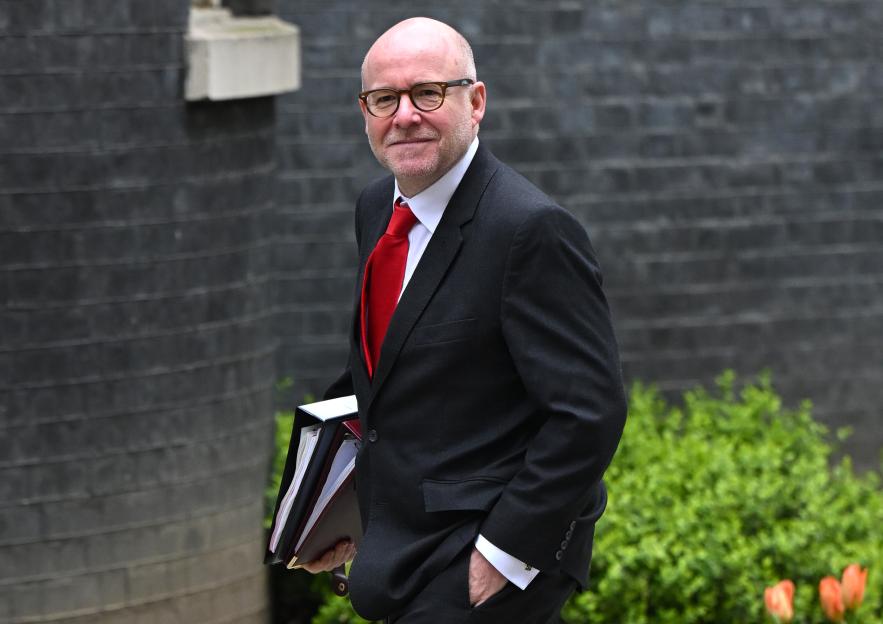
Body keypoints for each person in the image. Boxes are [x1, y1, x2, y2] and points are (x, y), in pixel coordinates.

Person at [304, 16, 627, 624]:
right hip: (400, 548)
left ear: (475, 102)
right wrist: (328, 512)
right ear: (364, 112)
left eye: (428, 93)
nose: (404, 115)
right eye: (384, 99)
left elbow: (590, 413)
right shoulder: (376, 208)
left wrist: (500, 557)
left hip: (480, 558)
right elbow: (382, 381)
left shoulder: (530, 230)